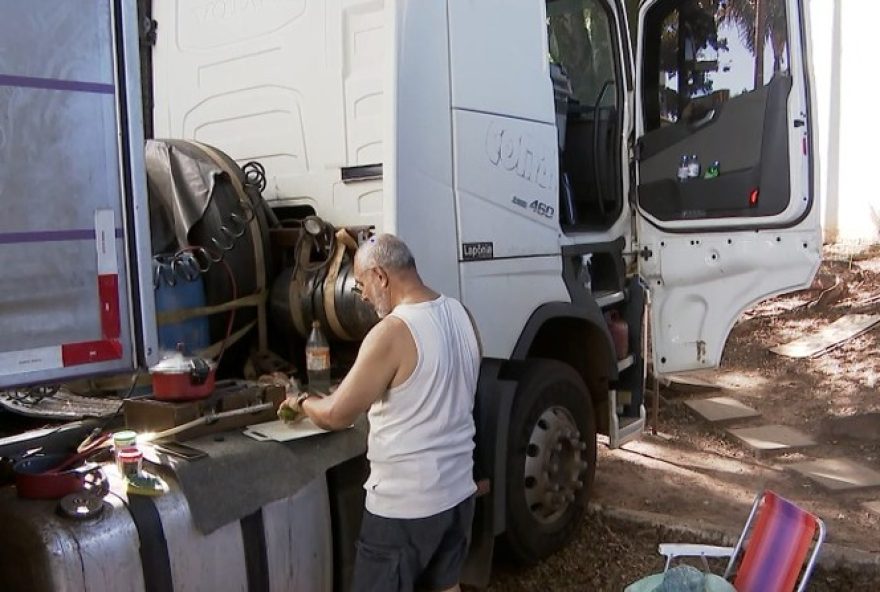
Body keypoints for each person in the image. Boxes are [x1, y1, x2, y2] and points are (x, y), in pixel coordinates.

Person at [278, 233, 482, 592]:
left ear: (381, 276)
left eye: (361, 284)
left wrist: (301, 401)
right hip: (458, 496)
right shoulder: (462, 315)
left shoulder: (391, 332)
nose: (364, 296)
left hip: (405, 509)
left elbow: (337, 414)